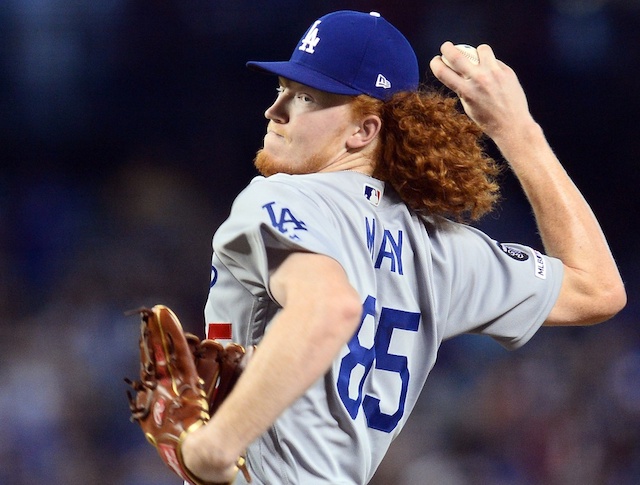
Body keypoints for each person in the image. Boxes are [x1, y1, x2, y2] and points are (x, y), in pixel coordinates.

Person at [180, 10, 626, 485]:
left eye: (305, 97)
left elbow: (329, 309)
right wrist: (519, 133)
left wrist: (215, 445)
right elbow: (597, 289)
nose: (276, 110)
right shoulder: (437, 247)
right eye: (281, 89)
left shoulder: (277, 197)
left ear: (364, 131)